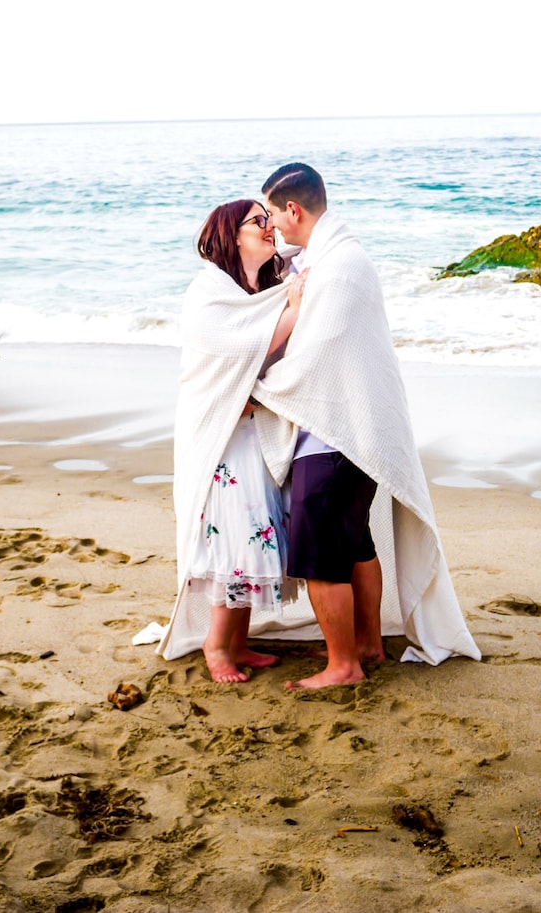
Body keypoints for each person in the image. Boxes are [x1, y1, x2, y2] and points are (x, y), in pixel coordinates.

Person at [251, 162, 479, 688]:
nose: (274, 228)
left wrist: (258, 390)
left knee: (320, 560)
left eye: (275, 216)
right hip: (353, 433)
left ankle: (343, 666)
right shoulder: (333, 254)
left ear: (294, 209)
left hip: (333, 434)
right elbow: (282, 262)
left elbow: (322, 352)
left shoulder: (340, 266)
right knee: (355, 546)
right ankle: (369, 645)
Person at [160, 198, 307, 682]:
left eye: (270, 219)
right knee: (238, 533)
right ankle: (215, 646)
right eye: (258, 221)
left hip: (249, 430)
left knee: (254, 530)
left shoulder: (259, 289)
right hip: (221, 436)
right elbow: (246, 348)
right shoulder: (210, 292)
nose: (269, 227)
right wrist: (292, 306)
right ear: (231, 234)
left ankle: (238, 643)